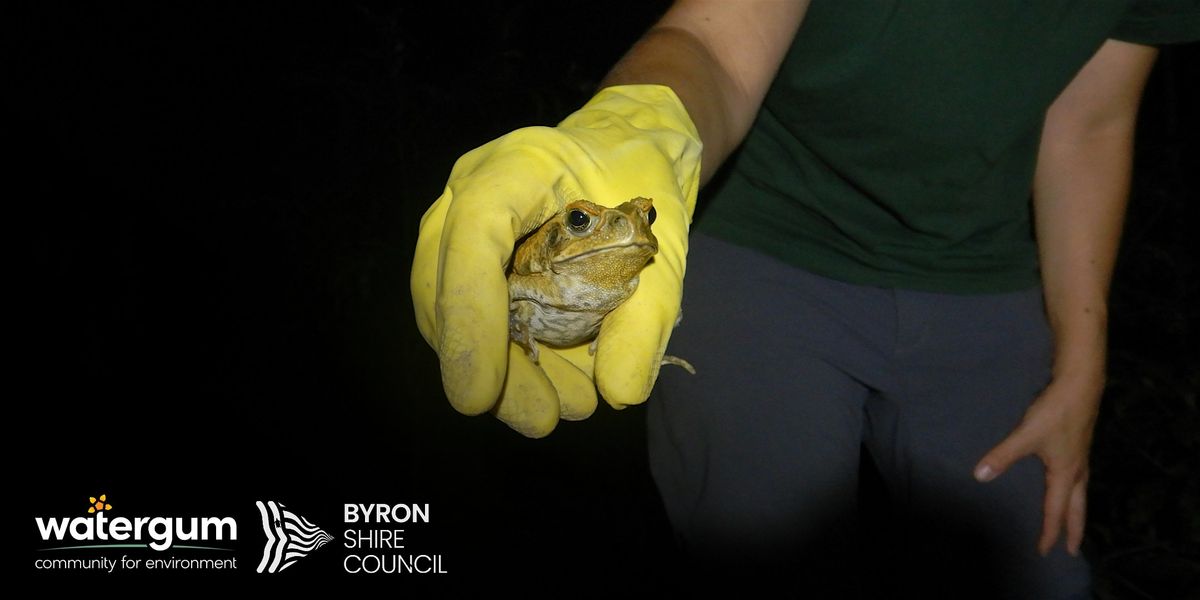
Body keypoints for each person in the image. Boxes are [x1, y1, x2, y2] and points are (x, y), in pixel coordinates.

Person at [411, 1, 1198, 596]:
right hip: (765, 241)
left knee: (1045, 573)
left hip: (983, 269)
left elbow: (1090, 123)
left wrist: (1086, 362)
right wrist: (638, 123)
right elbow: (719, 40)